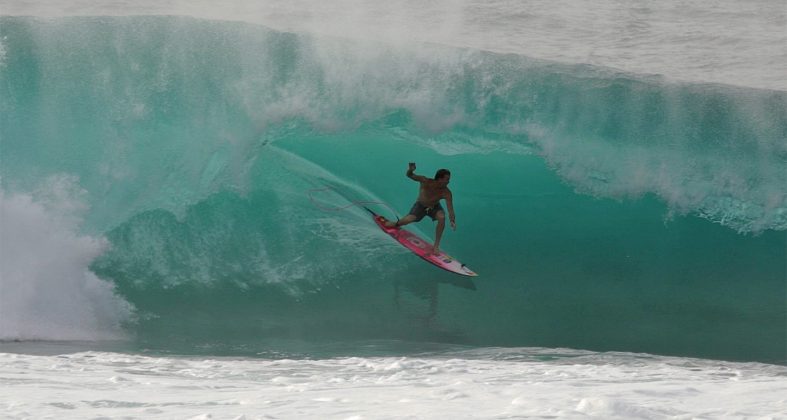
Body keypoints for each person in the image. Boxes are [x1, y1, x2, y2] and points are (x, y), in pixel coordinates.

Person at [385, 162, 456, 255]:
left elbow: (450, 208)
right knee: (406, 221)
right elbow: (409, 175)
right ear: (440, 179)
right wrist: (411, 170)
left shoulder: (446, 192)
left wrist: (452, 220)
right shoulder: (425, 181)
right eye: (447, 179)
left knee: (442, 217)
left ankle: (436, 246)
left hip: (434, 207)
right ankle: (396, 224)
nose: (448, 181)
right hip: (420, 206)